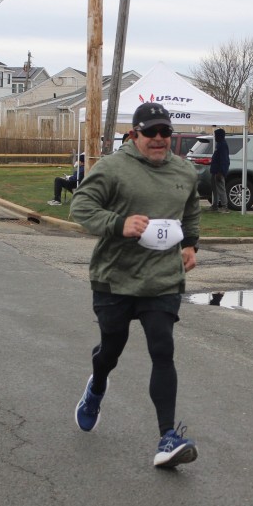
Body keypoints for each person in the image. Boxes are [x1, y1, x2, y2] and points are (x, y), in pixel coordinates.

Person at [70, 102, 202, 469]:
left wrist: (191, 243)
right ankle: (97, 386)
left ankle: (168, 437)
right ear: (134, 135)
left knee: (162, 348)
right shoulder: (113, 168)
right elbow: (81, 206)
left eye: (165, 132)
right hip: (115, 276)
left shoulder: (184, 171)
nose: (159, 139)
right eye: (151, 132)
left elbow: (191, 210)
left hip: (162, 278)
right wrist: (119, 224)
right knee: (111, 350)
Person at [209, 128, 230, 212]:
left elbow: (224, 160)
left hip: (218, 171)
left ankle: (225, 207)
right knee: (215, 190)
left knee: (221, 189)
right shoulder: (219, 144)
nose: (215, 137)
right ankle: (215, 205)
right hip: (214, 171)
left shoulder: (223, 145)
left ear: (220, 136)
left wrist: (221, 172)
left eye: (216, 135)